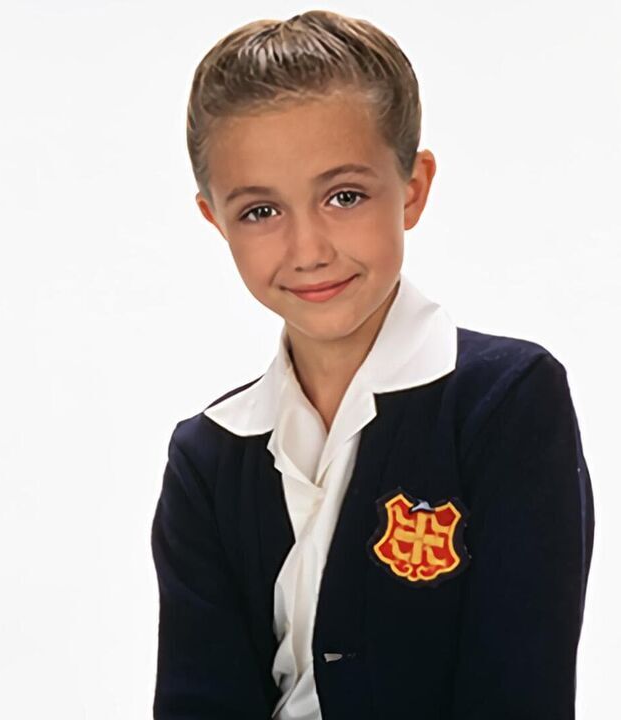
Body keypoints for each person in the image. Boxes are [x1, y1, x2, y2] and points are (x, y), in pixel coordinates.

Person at [150, 10, 595, 720]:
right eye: (261, 211)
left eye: (344, 197)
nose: (307, 249)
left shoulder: (505, 403)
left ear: (413, 187)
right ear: (215, 219)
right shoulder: (208, 455)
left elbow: (519, 690)